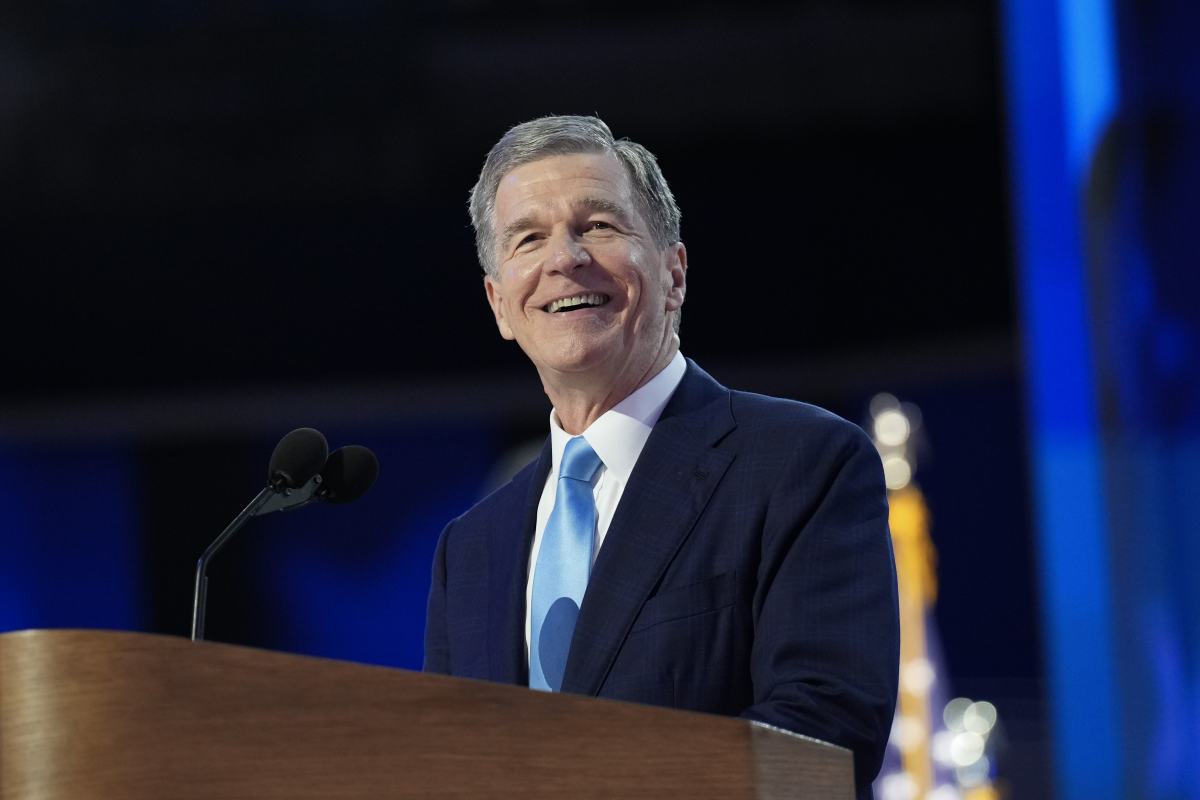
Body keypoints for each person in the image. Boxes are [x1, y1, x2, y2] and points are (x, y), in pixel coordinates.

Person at [423, 115, 898, 798]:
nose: (566, 257)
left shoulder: (800, 463)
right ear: (501, 305)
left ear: (674, 273)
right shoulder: (470, 549)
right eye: (529, 238)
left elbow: (822, 740)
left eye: (599, 227)